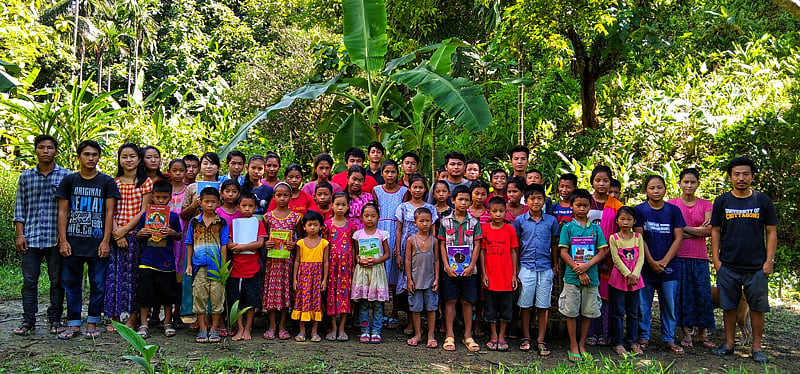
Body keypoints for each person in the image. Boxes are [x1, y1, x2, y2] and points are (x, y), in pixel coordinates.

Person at [710, 157, 777, 364]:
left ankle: (757, 348)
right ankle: (729, 344)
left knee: (757, 307)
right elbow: (715, 231)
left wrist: (769, 261)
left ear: (752, 176)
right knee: (728, 306)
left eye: (745, 174)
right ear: (730, 177)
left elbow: (771, 231)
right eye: (737, 174)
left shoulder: (762, 201)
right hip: (728, 264)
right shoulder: (722, 201)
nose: (741, 178)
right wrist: (716, 260)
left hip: (756, 266)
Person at [56, 140, 121, 339]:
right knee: (71, 284)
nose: (91, 158)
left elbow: (110, 213)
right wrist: (64, 240)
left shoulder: (106, 182)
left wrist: (105, 240)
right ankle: (74, 324)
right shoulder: (69, 181)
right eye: (86, 154)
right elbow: (62, 211)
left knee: (98, 284)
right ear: (79, 157)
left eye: (94, 154)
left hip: (97, 244)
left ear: (99, 157)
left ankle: (92, 323)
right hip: (73, 243)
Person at [13, 135, 71, 336]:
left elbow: (69, 209)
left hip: (55, 239)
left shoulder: (66, 176)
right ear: (35, 150)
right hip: (31, 238)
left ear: (56, 151)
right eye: (41, 147)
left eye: (50, 148)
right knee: (30, 281)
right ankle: (28, 320)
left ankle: (55, 319)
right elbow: (20, 207)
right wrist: (20, 234)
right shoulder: (26, 177)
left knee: (57, 281)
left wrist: (63, 236)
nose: (46, 151)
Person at [634, 175, 686, 354]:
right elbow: (639, 238)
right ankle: (643, 336)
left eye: (659, 187)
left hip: (669, 267)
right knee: (643, 304)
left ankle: (669, 338)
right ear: (646, 190)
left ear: (665, 189)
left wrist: (664, 261)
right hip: (645, 266)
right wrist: (650, 261)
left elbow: (679, 237)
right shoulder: (639, 211)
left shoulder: (674, 211)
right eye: (652, 188)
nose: (656, 191)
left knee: (669, 304)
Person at [667, 168, 716, 349]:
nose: (689, 185)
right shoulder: (671, 205)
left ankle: (702, 334)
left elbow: (709, 231)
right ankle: (686, 333)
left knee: (702, 295)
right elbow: (672, 231)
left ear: (698, 184)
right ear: (679, 183)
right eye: (685, 182)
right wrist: (695, 231)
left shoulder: (706, 205)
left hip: (700, 257)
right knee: (682, 295)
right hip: (677, 255)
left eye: (692, 182)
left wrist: (683, 229)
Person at [107, 143, 153, 331]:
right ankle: (114, 316)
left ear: (139, 159)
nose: (128, 160)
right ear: (119, 159)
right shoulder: (113, 182)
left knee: (135, 278)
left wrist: (125, 230)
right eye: (124, 156)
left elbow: (144, 211)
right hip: (115, 235)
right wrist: (117, 234)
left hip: (137, 236)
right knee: (114, 277)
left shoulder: (146, 182)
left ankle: (133, 318)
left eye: (132, 156)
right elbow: (110, 211)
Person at [558, 189, 608, 361]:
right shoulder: (568, 227)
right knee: (571, 312)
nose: (581, 209)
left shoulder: (595, 228)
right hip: (572, 277)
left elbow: (602, 252)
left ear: (590, 207)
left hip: (592, 277)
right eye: (578, 205)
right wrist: (578, 270)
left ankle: (582, 343)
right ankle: (573, 344)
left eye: (585, 205)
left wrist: (587, 266)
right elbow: (563, 252)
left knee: (588, 312)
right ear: (572, 206)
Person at [513, 184, 559, 355]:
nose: (536, 201)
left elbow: (554, 244)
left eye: (540, 198)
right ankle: (526, 337)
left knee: (543, 305)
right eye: (532, 198)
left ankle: (541, 339)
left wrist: (554, 264)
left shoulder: (551, 221)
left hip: (545, 267)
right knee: (525, 305)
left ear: (544, 201)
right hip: (526, 266)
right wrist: (516, 267)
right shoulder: (520, 221)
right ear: (526, 200)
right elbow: (516, 246)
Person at [437, 185, 482, 352]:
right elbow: (442, 244)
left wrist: (472, 266)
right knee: (450, 300)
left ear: (470, 202)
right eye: (460, 199)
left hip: (469, 270)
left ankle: (468, 335)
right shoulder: (445, 222)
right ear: (453, 200)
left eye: (466, 200)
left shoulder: (474, 222)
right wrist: (446, 267)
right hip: (450, 270)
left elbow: (477, 245)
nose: (463, 203)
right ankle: (450, 335)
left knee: (467, 301)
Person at [135, 180, 182, 339]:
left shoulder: (173, 217)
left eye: (164, 197)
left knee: (168, 294)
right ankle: (143, 323)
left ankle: (167, 322)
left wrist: (171, 232)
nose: (161, 200)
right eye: (157, 197)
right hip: (147, 260)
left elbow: (179, 236)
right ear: (152, 197)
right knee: (144, 293)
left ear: (170, 197)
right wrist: (142, 233)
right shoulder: (145, 216)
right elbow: (138, 235)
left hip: (167, 262)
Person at [394, 174, 438, 332]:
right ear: (409, 188)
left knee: (425, 284)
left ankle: (424, 324)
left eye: (421, 187)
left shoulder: (430, 208)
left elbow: (433, 232)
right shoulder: (403, 207)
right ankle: (411, 322)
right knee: (409, 286)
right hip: (407, 251)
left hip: (426, 253)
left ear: (425, 189)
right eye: (415, 187)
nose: (418, 190)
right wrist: (398, 252)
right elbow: (399, 231)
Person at [185, 186, 228, 343]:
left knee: (217, 298)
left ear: (218, 203)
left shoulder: (222, 223)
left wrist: (224, 265)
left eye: (213, 202)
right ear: (200, 203)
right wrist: (189, 264)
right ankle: (203, 329)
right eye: (206, 201)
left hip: (216, 267)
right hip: (199, 266)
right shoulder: (194, 222)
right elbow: (189, 243)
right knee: (200, 297)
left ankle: (214, 329)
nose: (210, 205)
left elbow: (224, 245)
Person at [586, 165, 623, 347]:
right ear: (592, 181)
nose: (601, 184)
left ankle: (605, 333)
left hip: (610, 258)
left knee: (606, 296)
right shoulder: (585, 201)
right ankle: (590, 333)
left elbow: (620, 234)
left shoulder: (617, 206)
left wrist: (605, 255)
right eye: (598, 180)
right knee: (589, 295)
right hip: (585, 258)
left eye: (605, 180)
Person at [262, 182, 301, 340]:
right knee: (272, 292)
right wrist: (267, 244)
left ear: (291, 197)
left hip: (288, 263)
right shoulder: (268, 217)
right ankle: (271, 325)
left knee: (285, 293)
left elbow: (301, 238)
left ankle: (283, 325)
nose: (282, 198)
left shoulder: (296, 218)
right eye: (279, 195)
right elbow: (263, 237)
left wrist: (295, 244)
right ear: (274, 197)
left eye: (285, 195)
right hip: (272, 263)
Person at [481, 197, 519, 352]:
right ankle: (493, 335)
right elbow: (482, 252)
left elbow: (513, 252)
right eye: (494, 211)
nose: (498, 214)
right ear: (488, 212)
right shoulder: (484, 229)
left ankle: (502, 336)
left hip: (506, 278)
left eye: (501, 211)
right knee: (490, 309)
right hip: (491, 277)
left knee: (505, 309)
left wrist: (514, 275)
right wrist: (484, 274)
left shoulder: (510, 230)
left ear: (506, 212)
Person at [227, 191, 267, 341]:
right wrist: (237, 247)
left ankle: (248, 328)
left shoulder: (258, 223)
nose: (247, 209)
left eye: (251, 206)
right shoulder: (234, 224)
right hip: (235, 268)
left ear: (256, 207)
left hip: (252, 268)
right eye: (244, 205)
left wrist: (241, 248)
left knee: (251, 300)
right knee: (236, 300)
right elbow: (229, 243)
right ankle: (240, 328)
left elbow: (260, 243)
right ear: (238, 207)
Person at [373, 160, 407, 327]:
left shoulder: (404, 192)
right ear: (382, 174)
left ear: (397, 174)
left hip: (396, 231)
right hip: (380, 231)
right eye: (387, 172)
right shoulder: (376, 190)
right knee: (380, 272)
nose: (390, 175)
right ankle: (381, 313)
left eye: (393, 172)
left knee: (394, 271)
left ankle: (393, 312)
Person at [351, 203, 392, 343]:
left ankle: (376, 330)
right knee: (363, 303)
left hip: (376, 271)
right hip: (363, 272)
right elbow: (356, 254)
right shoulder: (358, 235)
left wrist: (376, 260)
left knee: (377, 303)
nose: (369, 219)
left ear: (378, 218)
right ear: (361, 217)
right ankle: (364, 330)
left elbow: (387, 254)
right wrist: (359, 261)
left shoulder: (382, 234)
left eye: (373, 216)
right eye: (366, 216)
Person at [607, 206, 645, 356]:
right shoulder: (613, 238)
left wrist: (634, 275)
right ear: (617, 221)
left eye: (629, 219)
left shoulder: (638, 237)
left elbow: (641, 257)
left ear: (634, 221)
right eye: (622, 219)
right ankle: (617, 342)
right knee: (617, 312)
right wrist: (627, 274)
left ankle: (632, 342)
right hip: (619, 279)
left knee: (633, 312)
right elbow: (616, 259)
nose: (625, 222)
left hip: (635, 280)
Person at [292, 211, 330, 342]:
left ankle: (314, 331)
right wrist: (295, 279)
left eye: (315, 225)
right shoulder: (300, 243)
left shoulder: (324, 243)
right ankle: (302, 330)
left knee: (316, 303)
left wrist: (324, 280)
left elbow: (326, 262)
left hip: (317, 278)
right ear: (304, 227)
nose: (312, 228)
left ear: (321, 227)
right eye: (309, 225)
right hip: (303, 278)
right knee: (302, 302)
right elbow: (297, 261)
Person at [405, 208, 439, 348]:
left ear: (432, 222)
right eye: (421, 221)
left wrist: (437, 278)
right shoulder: (411, 240)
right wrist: (409, 279)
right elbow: (407, 260)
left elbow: (436, 261)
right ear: (415, 223)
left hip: (430, 281)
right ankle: (418, 333)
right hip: (415, 280)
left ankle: (431, 335)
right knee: (416, 308)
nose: (425, 224)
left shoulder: (434, 241)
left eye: (428, 221)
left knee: (431, 308)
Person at [325, 192, 357, 341]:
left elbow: (353, 247)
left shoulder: (351, 225)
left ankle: (342, 326)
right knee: (331, 295)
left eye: (343, 205)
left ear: (348, 206)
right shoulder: (327, 224)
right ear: (332, 205)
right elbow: (324, 246)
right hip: (331, 265)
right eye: (337, 204)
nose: (340, 207)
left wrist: (354, 265)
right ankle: (333, 326)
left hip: (346, 265)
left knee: (345, 295)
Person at [167, 159, 191, 327]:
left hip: (183, 236)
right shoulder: (164, 190)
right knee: (166, 273)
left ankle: (179, 311)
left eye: (181, 170)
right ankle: (163, 312)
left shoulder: (189, 190)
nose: (177, 173)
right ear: (168, 171)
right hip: (165, 236)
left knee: (181, 274)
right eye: (174, 170)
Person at [181, 152, 222, 221]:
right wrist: (194, 205)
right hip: (195, 228)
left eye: (212, 163)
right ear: (200, 167)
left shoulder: (224, 188)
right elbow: (184, 215)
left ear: (219, 167)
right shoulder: (192, 187)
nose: (209, 166)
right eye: (205, 163)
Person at [345, 166, 375, 230]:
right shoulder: (342, 198)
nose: (356, 183)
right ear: (348, 178)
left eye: (360, 180)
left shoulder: (368, 197)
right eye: (354, 179)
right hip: (347, 233)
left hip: (365, 235)